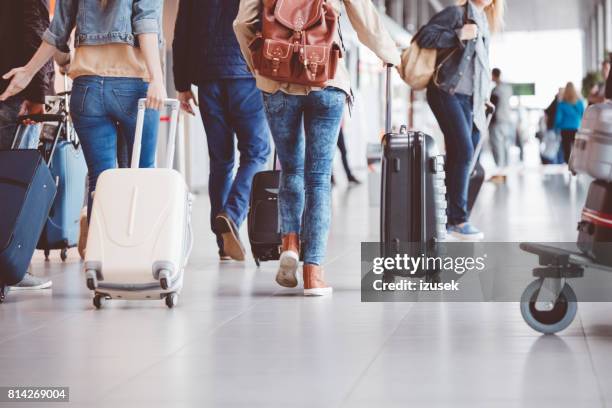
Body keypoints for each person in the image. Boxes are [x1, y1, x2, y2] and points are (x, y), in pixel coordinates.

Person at [235, 0, 400, 296]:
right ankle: (313, 273)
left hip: (277, 78)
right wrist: (390, 54)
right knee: (319, 178)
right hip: (327, 77)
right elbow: (364, 18)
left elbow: (241, 23)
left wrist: (260, 65)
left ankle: (289, 243)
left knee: (290, 169)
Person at [1, 0, 166, 234]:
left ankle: (99, 257)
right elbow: (146, 23)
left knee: (101, 180)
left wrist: (28, 72)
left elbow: (57, 31)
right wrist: (157, 78)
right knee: (142, 173)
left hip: (86, 89)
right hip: (132, 85)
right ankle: (139, 248)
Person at [173, 0, 271, 262]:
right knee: (258, 152)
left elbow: (181, 33)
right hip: (246, 76)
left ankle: (223, 242)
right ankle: (232, 213)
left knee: (221, 161)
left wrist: (181, 84)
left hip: (208, 79)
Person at [416, 0, 505, 241]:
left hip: (472, 100)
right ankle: (458, 219)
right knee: (464, 151)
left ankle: (443, 219)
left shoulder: (485, 22)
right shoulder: (457, 13)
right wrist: (458, 34)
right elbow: (424, 36)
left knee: (463, 155)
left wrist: (483, 96)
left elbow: (480, 66)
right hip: (446, 91)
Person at [0, 0, 55, 290]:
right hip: (12, 94)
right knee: (12, 188)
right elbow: (38, 36)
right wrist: (38, 96)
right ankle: (12, 268)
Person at [488, 67, 513, 182]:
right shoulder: (508, 89)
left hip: (497, 121)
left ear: (494, 75)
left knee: (497, 147)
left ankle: (499, 173)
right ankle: (505, 173)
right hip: (507, 121)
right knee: (504, 147)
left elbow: (493, 107)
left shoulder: (496, 90)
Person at [555, 82, 585, 163]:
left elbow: (558, 118)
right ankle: (576, 163)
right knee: (576, 148)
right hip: (576, 128)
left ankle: (568, 165)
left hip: (564, 129)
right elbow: (583, 115)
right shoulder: (580, 103)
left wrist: (556, 127)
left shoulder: (561, 104)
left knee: (566, 149)